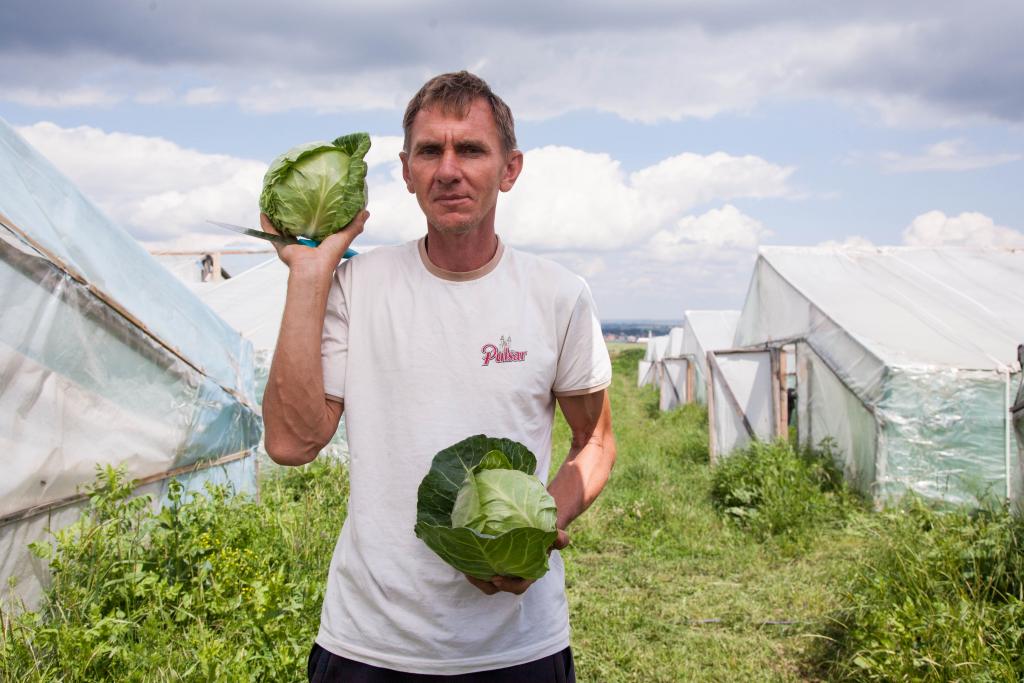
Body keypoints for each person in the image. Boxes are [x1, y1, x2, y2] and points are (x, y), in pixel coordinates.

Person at [262, 70, 616, 682]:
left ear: (510, 169)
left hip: (517, 644)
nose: (448, 169)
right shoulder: (357, 287)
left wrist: (534, 530)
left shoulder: (558, 296)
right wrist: (307, 274)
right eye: (430, 150)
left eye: (471, 149)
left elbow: (597, 441)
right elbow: (292, 444)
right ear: (405, 171)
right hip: (369, 643)